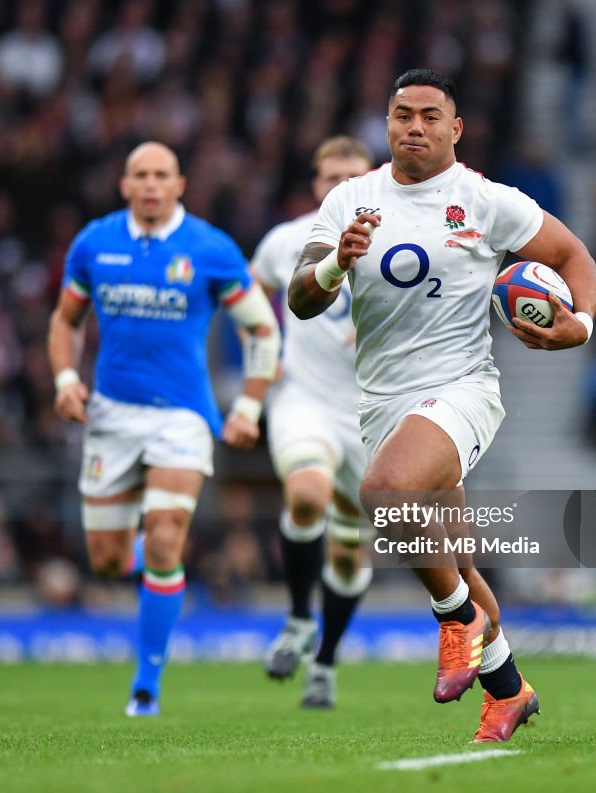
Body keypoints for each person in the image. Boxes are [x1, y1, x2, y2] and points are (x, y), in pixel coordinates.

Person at [288, 69, 596, 742]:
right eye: (403, 114)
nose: (415, 127)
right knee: (454, 561)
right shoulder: (350, 199)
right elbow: (300, 296)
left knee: (385, 492)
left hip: (462, 389)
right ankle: (509, 690)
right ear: (388, 123)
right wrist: (335, 265)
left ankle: (456, 622)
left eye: (431, 116)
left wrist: (584, 323)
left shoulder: (484, 200)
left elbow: (572, 253)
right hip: (384, 404)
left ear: (454, 128)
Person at [48, 141, 280, 717]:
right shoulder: (95, 243)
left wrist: (249, 405)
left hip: (183, 414)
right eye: (140, 175)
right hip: (112, 414)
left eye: (161, 175)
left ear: (180, 185)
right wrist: (63, 379)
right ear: (124, 186)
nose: (150, 185)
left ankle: (146, 683)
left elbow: (261, 330)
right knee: (104, 560)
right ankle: (150, 562)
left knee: (168, 528)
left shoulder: (210, 248)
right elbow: (65, 320)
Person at [251, 136, 375, 709]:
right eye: (330, 177)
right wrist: (265, 349)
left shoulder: (403, 237)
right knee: (305, 494)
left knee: (349, 556)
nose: (339, 187)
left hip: (375, 415)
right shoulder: (286, 240)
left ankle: (324, 662)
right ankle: (300, 617)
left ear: (369, 178)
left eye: (351, 176)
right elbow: (252, 290)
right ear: (315, 184)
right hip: (305, 396)